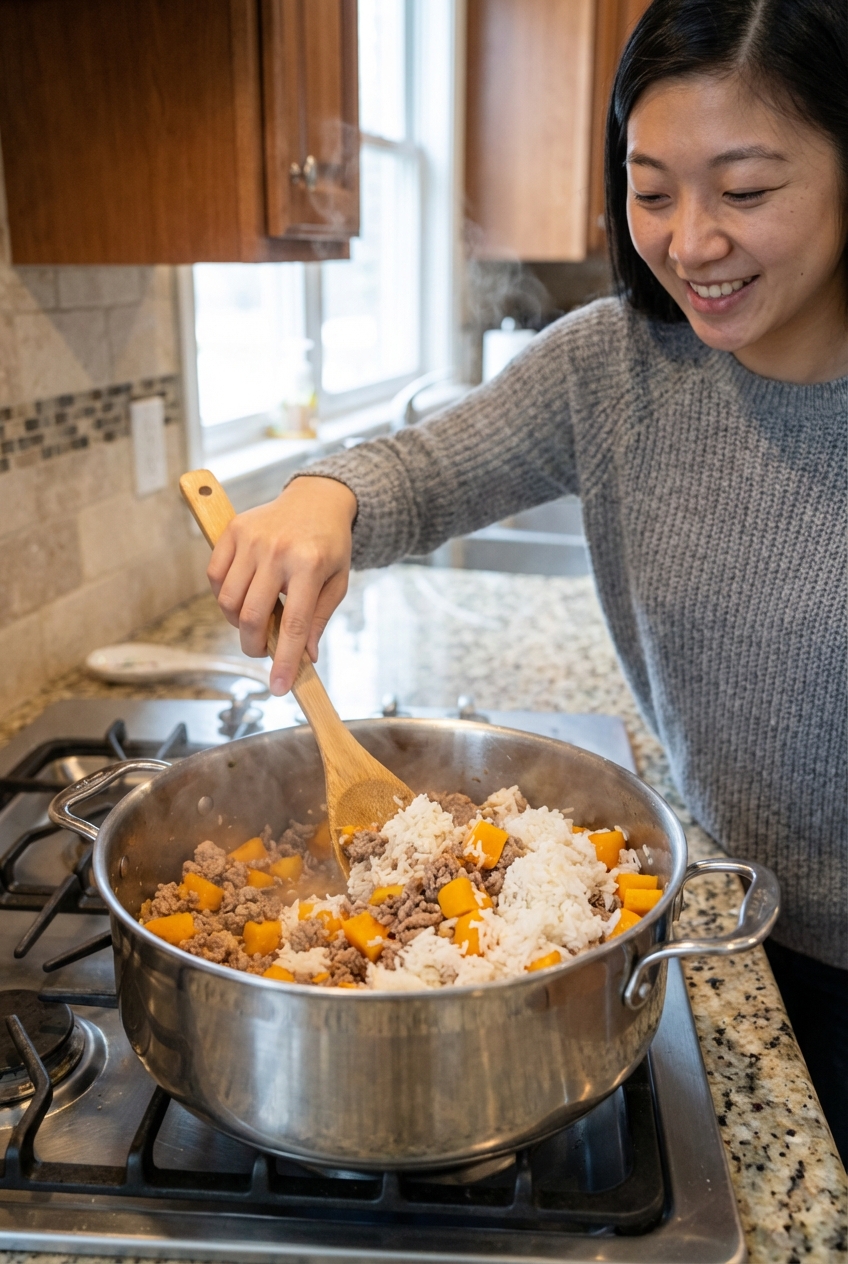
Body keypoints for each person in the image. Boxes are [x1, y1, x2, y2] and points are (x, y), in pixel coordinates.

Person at [207, 0, 847, 1160]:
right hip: (706, 925)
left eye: (744, 192)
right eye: (651, 191)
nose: (690, 242)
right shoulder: (615, 365)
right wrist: (323, 499)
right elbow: (416, 468)